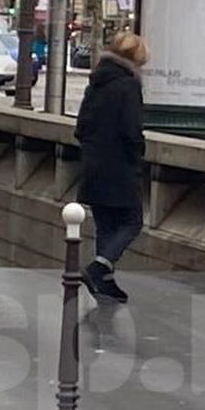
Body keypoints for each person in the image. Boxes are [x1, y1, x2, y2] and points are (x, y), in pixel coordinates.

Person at [75, 32, 149, 302]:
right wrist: (137, 153)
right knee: (132, 221)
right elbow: (131, 129)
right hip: (120, 167)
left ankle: (104, 279)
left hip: (94, 164)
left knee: (106, 224)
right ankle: (99, 267)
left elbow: (80, 127)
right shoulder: (128, 86)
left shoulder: (96, 82)